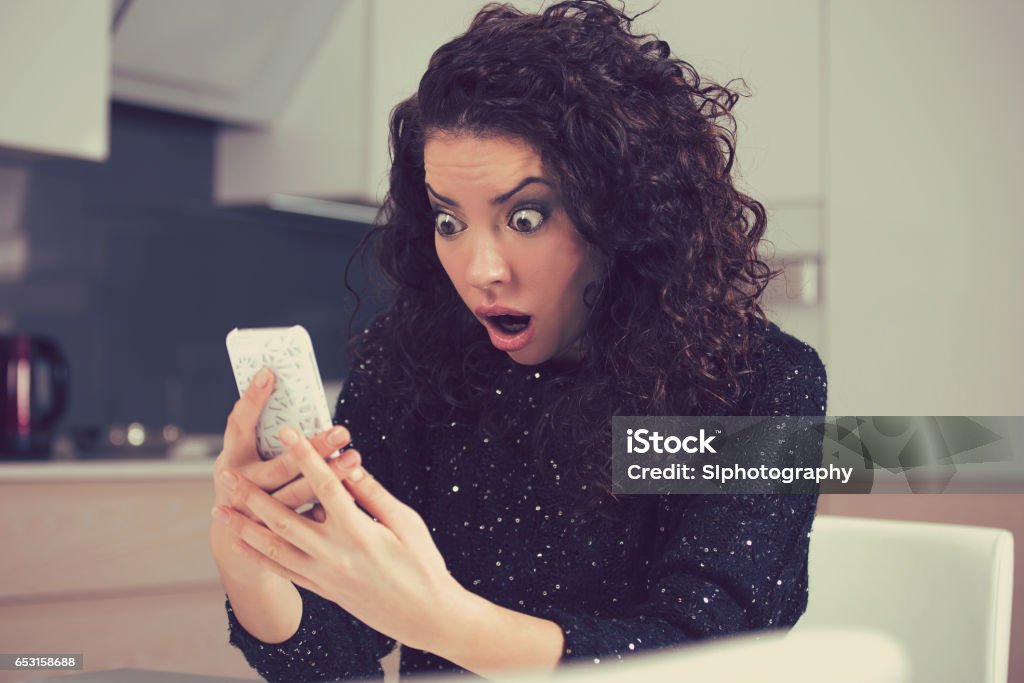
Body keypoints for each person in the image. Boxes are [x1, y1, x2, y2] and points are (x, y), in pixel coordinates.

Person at [208, 1, 828, 681]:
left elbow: (703, 654)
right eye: (450, 221)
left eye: (525, 216)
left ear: (621, 212)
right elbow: (337, 659)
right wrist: (255, 557)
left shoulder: (758, 383)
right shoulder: (412, 358)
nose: (480, 271)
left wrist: (442, 621)